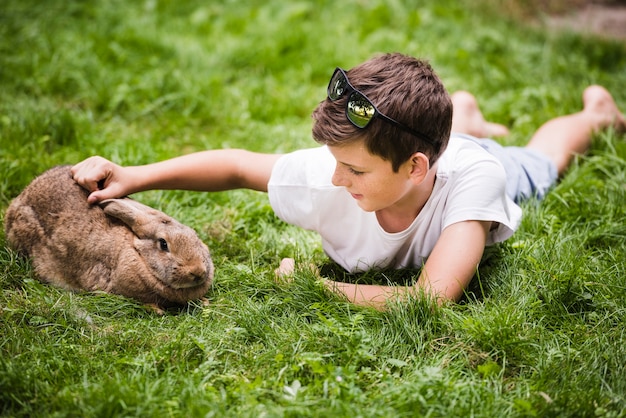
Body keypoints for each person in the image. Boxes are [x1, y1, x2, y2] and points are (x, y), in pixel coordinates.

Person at [71, 53, 625, 310]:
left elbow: (431, 300)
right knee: (447, 134)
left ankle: (597, 113)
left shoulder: (474, 184)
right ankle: (462, 113)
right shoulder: (330, 174)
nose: (337, 178)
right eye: (335, 160)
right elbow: (240, 166)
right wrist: (133, 176)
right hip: (432, 150)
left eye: (355, 169)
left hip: (479, 162)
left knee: (542, 160)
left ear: (414, 168)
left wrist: (312, 286)